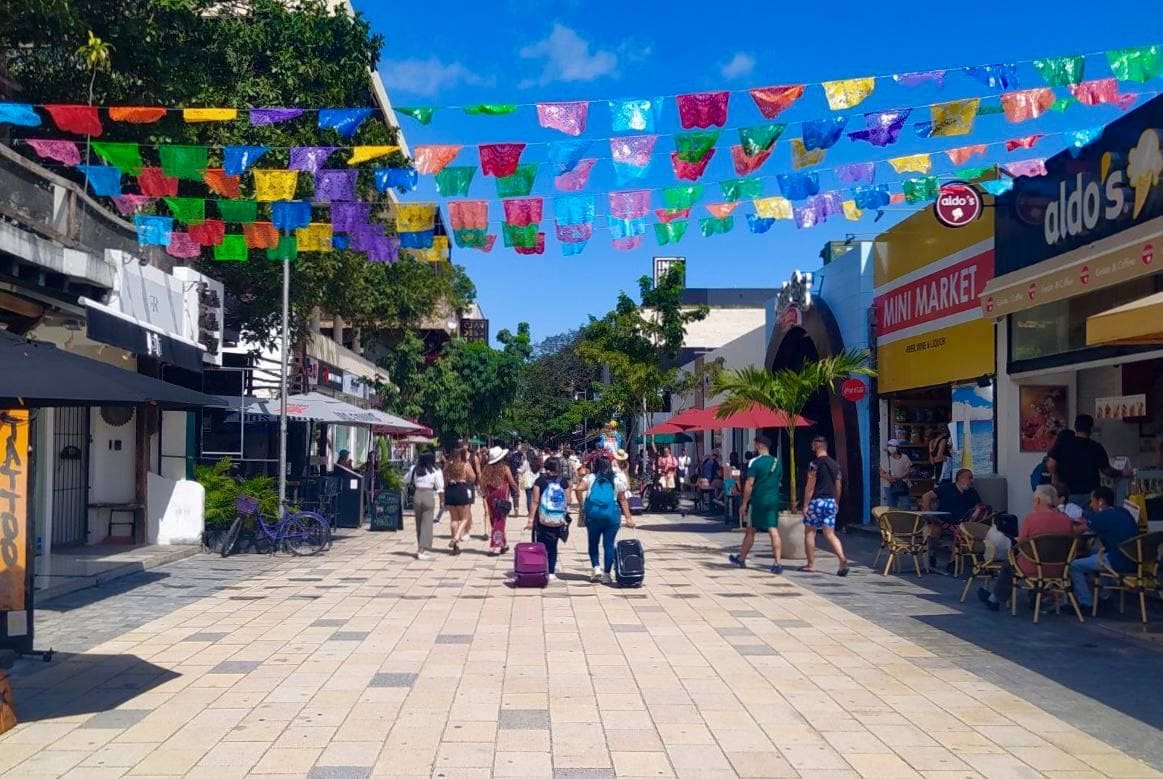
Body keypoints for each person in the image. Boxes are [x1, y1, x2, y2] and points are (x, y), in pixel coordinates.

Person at [978, 484, 1075, 611]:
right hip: (1060, 567)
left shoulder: (1031, 518)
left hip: (1034, 566)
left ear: (1038, 500)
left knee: (1010, 564)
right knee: (1036, 556)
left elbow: (1021, 543)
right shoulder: (1066, 519)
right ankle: (1036, 599)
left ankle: (995, 599)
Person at [1069, 486, 1140, 613]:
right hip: (1136, 559)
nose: (1091, 505)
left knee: (1073, 565)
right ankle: (1105, 598)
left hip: (1118, 560)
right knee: (1095, 554)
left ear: (1100, 501)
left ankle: (1086, 603)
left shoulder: (1102, 516)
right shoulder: (1123, 512)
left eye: (1092, 501)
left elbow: (1076, 531)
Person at [1047, 414, 1133, 511]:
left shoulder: (1063, 445)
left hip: (1068, 493)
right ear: (1091, 429)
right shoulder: (1096, 447)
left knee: (1069, 522)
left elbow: (1051, 463)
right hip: (1091, 495)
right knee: (1089, 523)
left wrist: (1055, 478)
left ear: (1075, 427)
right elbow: (1106, 470)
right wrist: (1121, 472)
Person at [729, 435, 784, 574]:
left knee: (751, 531)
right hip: (773, 500)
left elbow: (749, 483)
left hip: (758, 500)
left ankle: (741, 558)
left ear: (759, 445)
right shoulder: (777, 462)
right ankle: (777, 563)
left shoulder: (755, 462)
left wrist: (744, 503)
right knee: (773, 530)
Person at [800, 436, 849, 576]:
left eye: (813, 444)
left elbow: (810, 486)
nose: (811, 446)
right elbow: (839, 485)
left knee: (810, 533)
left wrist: (805, 504)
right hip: (830, 502)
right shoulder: (835, 464)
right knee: (830, 534)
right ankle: (842, 558)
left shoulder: (814, 464)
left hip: (816, 502)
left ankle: (811, 564)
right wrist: (836, 502)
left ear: (817, 446)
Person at [920, 468, 985, 571]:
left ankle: (952, 562)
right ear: (961, 478)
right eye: (970, 478)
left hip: (961, 524)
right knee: (933, 530)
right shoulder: (947, 488)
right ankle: (931, 555)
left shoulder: (972, 492)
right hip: (942, 521)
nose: (972, 481)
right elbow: (926, 496)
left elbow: (979, 508)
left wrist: (970, 522)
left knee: (959, 533)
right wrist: (928, 511)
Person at [583, 456, 634, 583]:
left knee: (593, 543)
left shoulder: (590, 477)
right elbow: (622, 499)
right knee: (609, 544)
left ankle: (596, 568)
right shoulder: (616, 478)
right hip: (612, 515)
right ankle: (606, 575)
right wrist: (628, 518)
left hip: (593, 515)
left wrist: (581, 503)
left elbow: (578, 488)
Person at [527, 457, 569, 581]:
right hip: (558, 519)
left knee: (541, 544)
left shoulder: (540, 481)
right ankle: (551, 571)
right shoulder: (563, 481)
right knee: (553, 546)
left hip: (543, 518)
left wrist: (530, 520)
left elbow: (535, 501)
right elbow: (568, 500)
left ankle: (541, 568)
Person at [480, 446, 519, 555]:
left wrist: (484, 493)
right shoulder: (505, 468)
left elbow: (482, 483)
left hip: (490, 496)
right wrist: (516, 490)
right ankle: (494, 545)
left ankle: (503, 544)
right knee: (500, 520)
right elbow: (512, 482)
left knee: (494, 520)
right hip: (502, 495)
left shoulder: (486, 469)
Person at [405, 452, 443, 560]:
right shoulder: (435, 470)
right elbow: (440, 487)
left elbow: (406, 479)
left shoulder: (414, 469)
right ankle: (421, 550)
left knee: (419, 522)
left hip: (417, 494)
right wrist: (442, 502)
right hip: (428, 494)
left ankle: (420, 546)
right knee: (427, 523)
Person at [442, 444, 476, 555]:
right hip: (461, 489)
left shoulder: (448, 464)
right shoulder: (465, 464)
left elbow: (444, 477)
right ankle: (457, 536)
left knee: (454, 519)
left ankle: (455, 546)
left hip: (450, 490)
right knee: (465, 517)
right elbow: (472, 477)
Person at [880, 439, 913, 508]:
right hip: (889, 486)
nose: (890, 448)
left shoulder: (904, 457)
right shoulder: (886, 459)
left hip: (903, 484)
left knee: (905, 505)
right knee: (892, 506)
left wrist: (900, 478)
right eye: (889, 446)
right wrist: (889, 478)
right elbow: (881, 473)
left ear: (897, 447)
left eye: (892, 446)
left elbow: (909, 470)